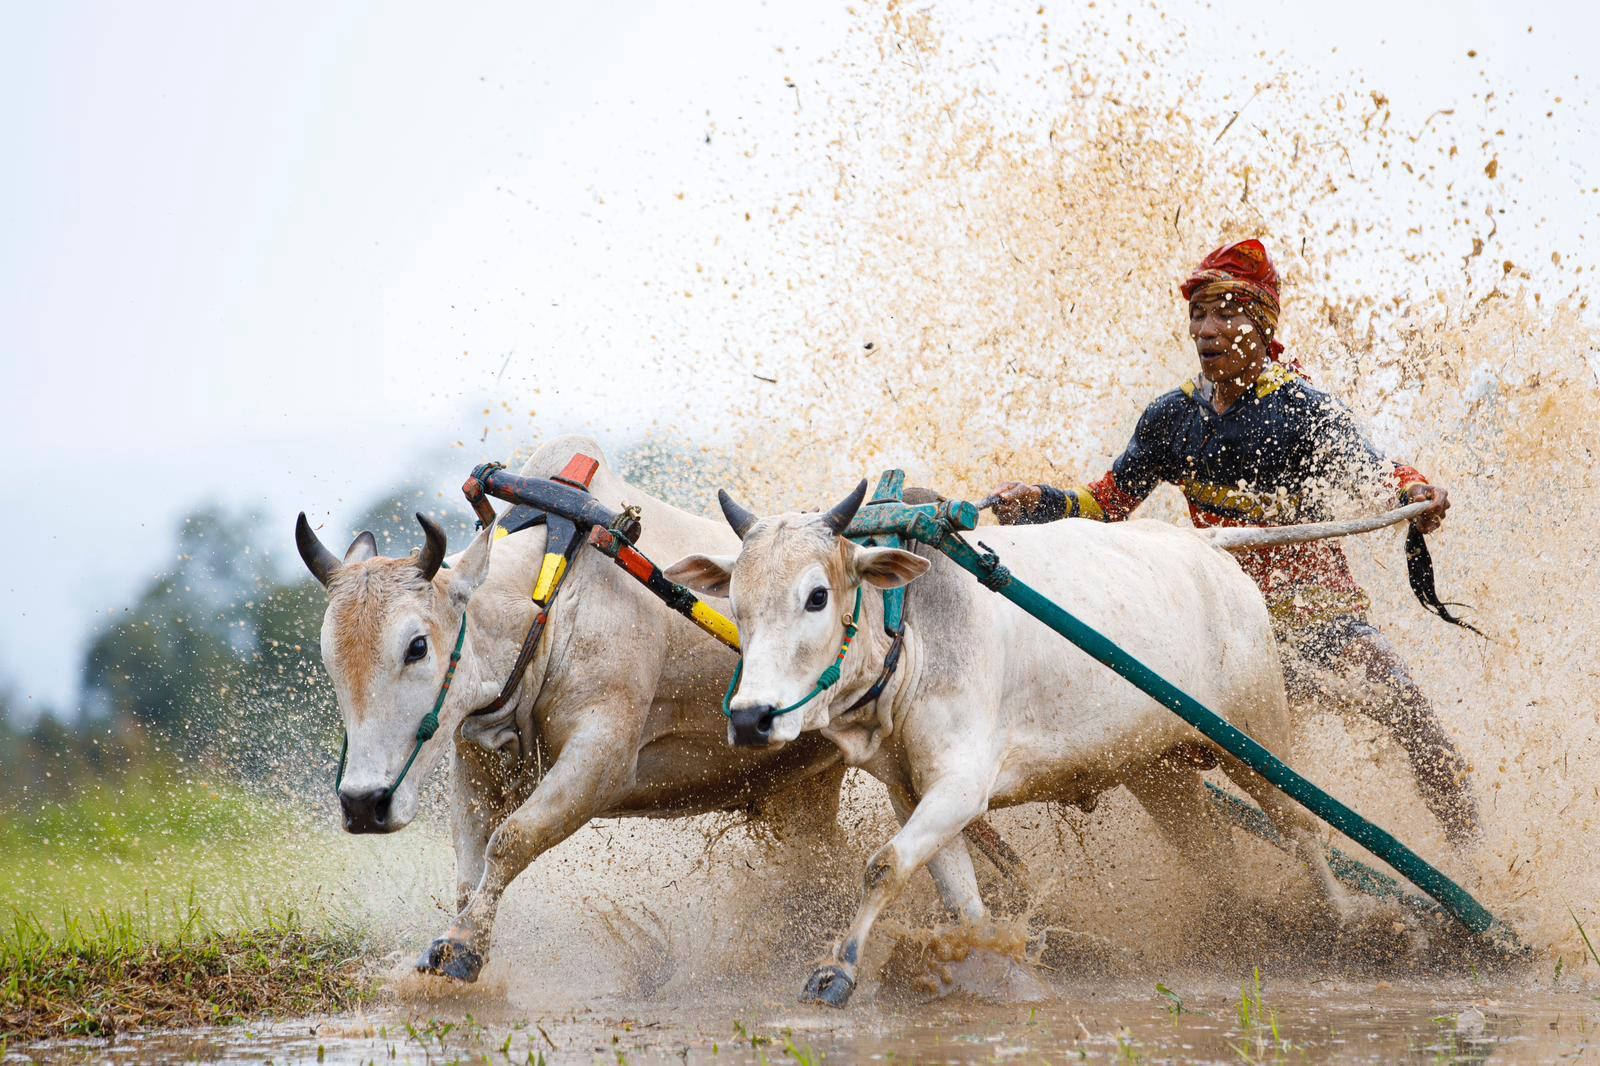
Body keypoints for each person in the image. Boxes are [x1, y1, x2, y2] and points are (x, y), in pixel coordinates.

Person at [988, 238, 1479, 846]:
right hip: (1219, 630)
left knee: (1409, 713)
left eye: (1227, 312)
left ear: (1263, 323)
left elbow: (1372, 473)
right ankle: (1230, 893)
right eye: (1198, 314)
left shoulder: (1301, 408)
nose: (1208, 329)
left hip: (1312, 620)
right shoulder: (1173, 417)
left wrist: (1415, 493)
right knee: (1155, 753)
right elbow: (1105, 504)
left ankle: (1473, 854)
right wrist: (1039, 502)